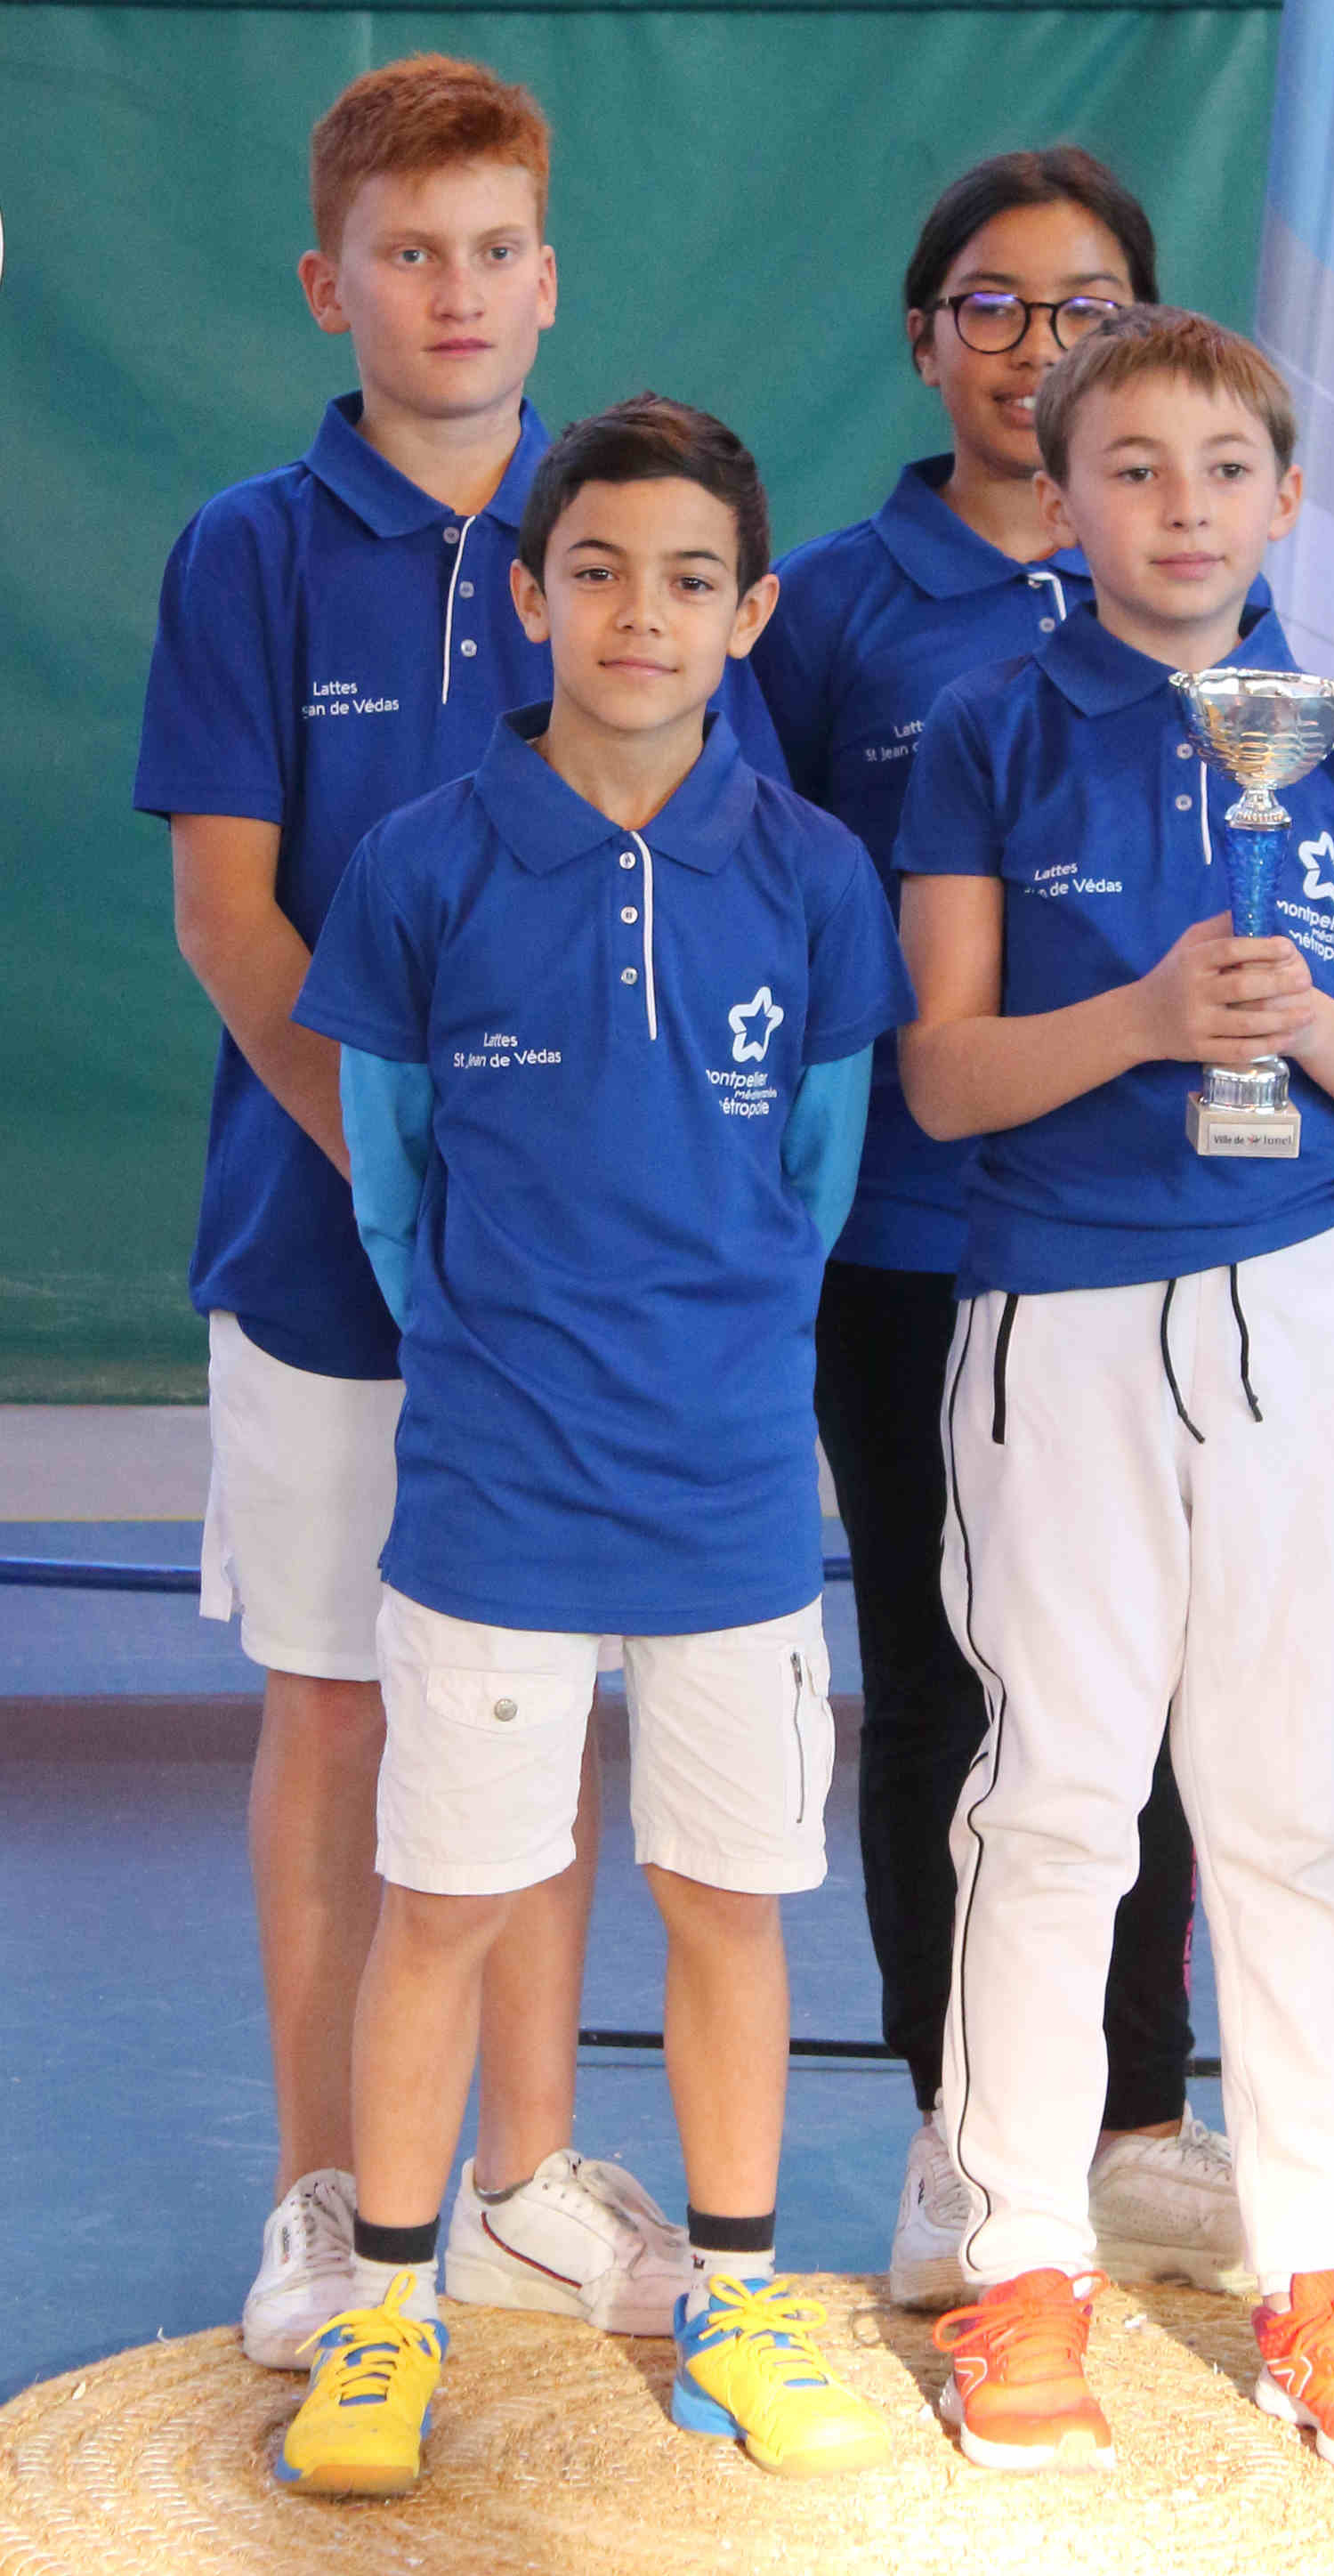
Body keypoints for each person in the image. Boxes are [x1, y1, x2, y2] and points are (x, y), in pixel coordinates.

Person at [132, 55, 782, 2365]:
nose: (455, 290)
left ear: (548, 276)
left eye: (495, 248)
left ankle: (514, 2182)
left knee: (539, 1716)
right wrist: (418, 1185)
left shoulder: (619, 536)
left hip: (578, 1297)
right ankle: (330, 2196)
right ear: (331, 284)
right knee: (337, 1714)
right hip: (330, 1259)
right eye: (408, 252)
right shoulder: (245, 551)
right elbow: (230, 917)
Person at [274, 396, 916, 2496]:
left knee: (725, 1900)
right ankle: (388, 2309)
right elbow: (394, 1184)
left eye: (690, 578)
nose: (644, 611)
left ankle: (732, 2296)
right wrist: (504, 1360)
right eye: (601, 571)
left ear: (751, 616)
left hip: (727, 1496)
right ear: (532, 599)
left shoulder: (813, 875)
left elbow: (812, 1179)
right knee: (445, 1902)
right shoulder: (420, 863)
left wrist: (706, 1361)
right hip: (494, 1500)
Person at [895, 305, 1334, 2472]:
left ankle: (1315, 2273)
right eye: (1128, 468)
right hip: (1051, 1316)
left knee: (1277, 1799)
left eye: (1222, 468)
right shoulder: (984, 731)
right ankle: (1018, 2263)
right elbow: (944, 1076)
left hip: (1301, 1306)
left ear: (1285, 498)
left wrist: (1299, 1024)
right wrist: (1144, 1018)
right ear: (1058, 501)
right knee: (1052, 1794)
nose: (1179, 507)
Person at [750, 151, 1245, 2309]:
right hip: (913, 1238)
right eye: (992, 305)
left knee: (1147, 1695)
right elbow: (761, 898)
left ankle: (1130, 2128)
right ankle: (965, 2137)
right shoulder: (833, 608)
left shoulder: (1209, 594)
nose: (1037, 346)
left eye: (1086, 307)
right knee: (945, 1690)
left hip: (1156, 1241)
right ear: (922, 336)